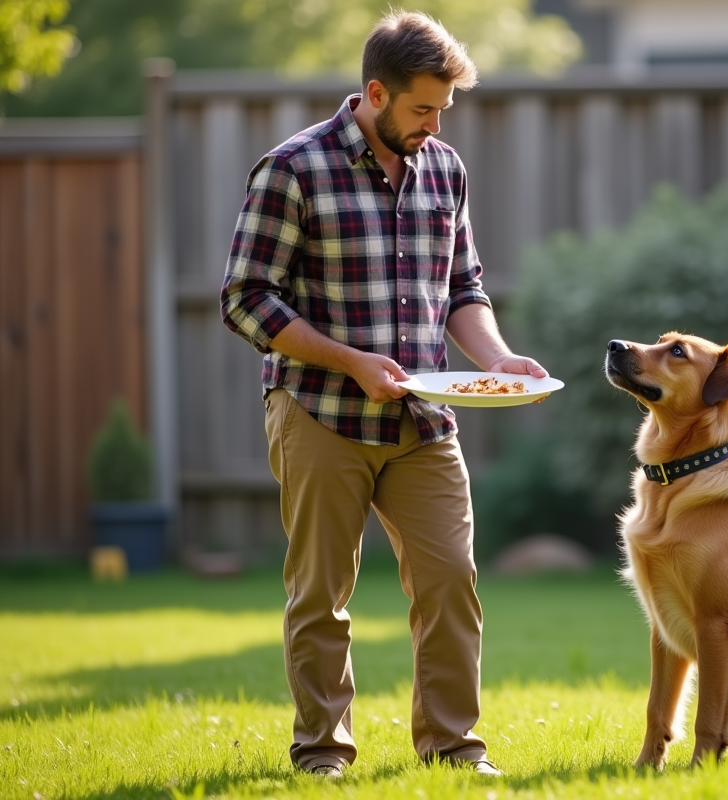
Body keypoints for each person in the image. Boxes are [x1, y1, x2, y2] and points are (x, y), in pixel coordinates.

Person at [220, 9, 545, 779]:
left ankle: (454, 750)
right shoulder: (293, 169)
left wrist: (499, 358)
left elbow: (462, 287)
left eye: (443, 110)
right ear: (374, 92)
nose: (434, 125)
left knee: (450, 581)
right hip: (318, 413)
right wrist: (348, 361)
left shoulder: (445, 169)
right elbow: (246, 298)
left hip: (423, 417)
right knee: (321, 596)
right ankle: (321, 754)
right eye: (422, 108)